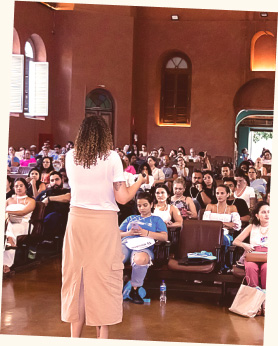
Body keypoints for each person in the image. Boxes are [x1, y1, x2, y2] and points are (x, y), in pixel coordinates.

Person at [61, 115, 146, 339]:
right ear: (105, 134)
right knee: (103, 279)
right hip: (103, 223)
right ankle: (102, 340)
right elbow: (122, 198)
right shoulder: (111, 158)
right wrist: (139, 181)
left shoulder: (70, 156)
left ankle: (74, 340)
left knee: (76, 280)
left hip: (76, 221)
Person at [119, 192, 167, 304]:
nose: (142, 208)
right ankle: (114, 290)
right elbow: (116, 233)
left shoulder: (156, 220)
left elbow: (164, 237)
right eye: (139, 205)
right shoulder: (131, 218)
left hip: (144, 246)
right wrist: (129, 233)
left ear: (151, 204)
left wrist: (147, 233)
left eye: (145, 205)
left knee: (140, 260)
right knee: (115, 258)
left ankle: (134, 290)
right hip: (127, 243)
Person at [233, 201, 269, 314]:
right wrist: (245, 245)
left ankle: (265, 301)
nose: (267, 215)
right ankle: (255, 302)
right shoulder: (252, 226)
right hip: (253, 254)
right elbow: (236, 241)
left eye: (269, 212)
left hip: (268, 256)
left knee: (266, 268)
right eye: (263, 212)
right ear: (257, 215)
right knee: (250, 268)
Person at [203, 184, 241, 271]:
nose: (219, 195)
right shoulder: (210, 206)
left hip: (225, 234)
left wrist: (215, 223)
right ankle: (207, 266)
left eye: (222, 193)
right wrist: (225, 224)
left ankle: (221, 267)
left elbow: (237, 226)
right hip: (210, 233)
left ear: (227, 194)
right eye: (217, 193)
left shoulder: (232, 208)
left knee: (223, 239)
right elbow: (205, 223)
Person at [3, 178, 36, 273]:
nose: (19, 188)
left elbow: (22, 212)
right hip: (9, 223)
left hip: (24, 224)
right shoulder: (9, 200)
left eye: (21, 186)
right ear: (13, 188)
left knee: (10, 228)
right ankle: (9, 240)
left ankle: (6, 264)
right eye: (16, 186)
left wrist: (6, 211)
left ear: (26, 187)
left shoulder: (30, 200)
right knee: (8, 226)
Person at [36, 171, 71, 241]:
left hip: (59, 217)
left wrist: (49, 199)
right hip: (41, 217)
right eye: (52, 180)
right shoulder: (45, 192)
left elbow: (69, 197)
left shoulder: (66, 191)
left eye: (57, 179)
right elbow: (35, 202)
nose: (54, 182)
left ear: (62, 180)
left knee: (52, 216)